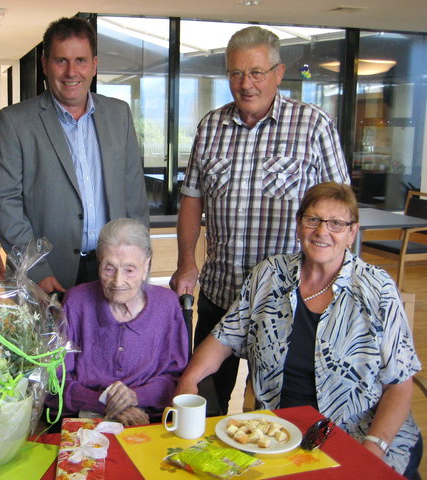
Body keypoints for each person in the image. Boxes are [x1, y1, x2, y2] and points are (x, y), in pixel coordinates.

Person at [176, 182, 422, 478]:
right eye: (313, 219)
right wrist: (189, 380)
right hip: (278, 435)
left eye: (336, 224)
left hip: (358, 436)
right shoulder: (269, 275)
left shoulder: (377, 289)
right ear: (298, 224)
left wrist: (371, 450)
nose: (322, 231)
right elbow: (224, 338)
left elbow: (400, 383)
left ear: (352, 232)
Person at [170, 26, 350, 414]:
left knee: (274, 410)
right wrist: (187, 260)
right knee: (205, 401)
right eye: (236, 73)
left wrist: (345, 284)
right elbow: (192, 200)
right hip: (221, 291)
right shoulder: (210, 127)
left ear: (278, 73)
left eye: (256, 72)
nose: (245, 84)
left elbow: (341, 212)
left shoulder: (313, 125)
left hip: (286, 300)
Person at [0, 17, 148, 295]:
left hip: (112, 269)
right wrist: (35, 268)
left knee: (113, 340)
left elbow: (134, 193)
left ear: (95, 64)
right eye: (61, 61)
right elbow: (5, 203)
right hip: (47, 275)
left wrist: (138, 259)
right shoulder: (15, 121)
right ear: (44, 64)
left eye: (81, 61)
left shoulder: (119, 114)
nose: (71, 71)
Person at [61, 218, 189, 426]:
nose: (118, 281)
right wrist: (107, 404)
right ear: (98, 264)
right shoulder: (76, 303)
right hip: (86, 418)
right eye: (109, 269)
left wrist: (136, 397)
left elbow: (177, 378)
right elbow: (56, 382)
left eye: (130, 270)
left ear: (146, 265)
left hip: (150, 418)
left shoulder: (167, 306)